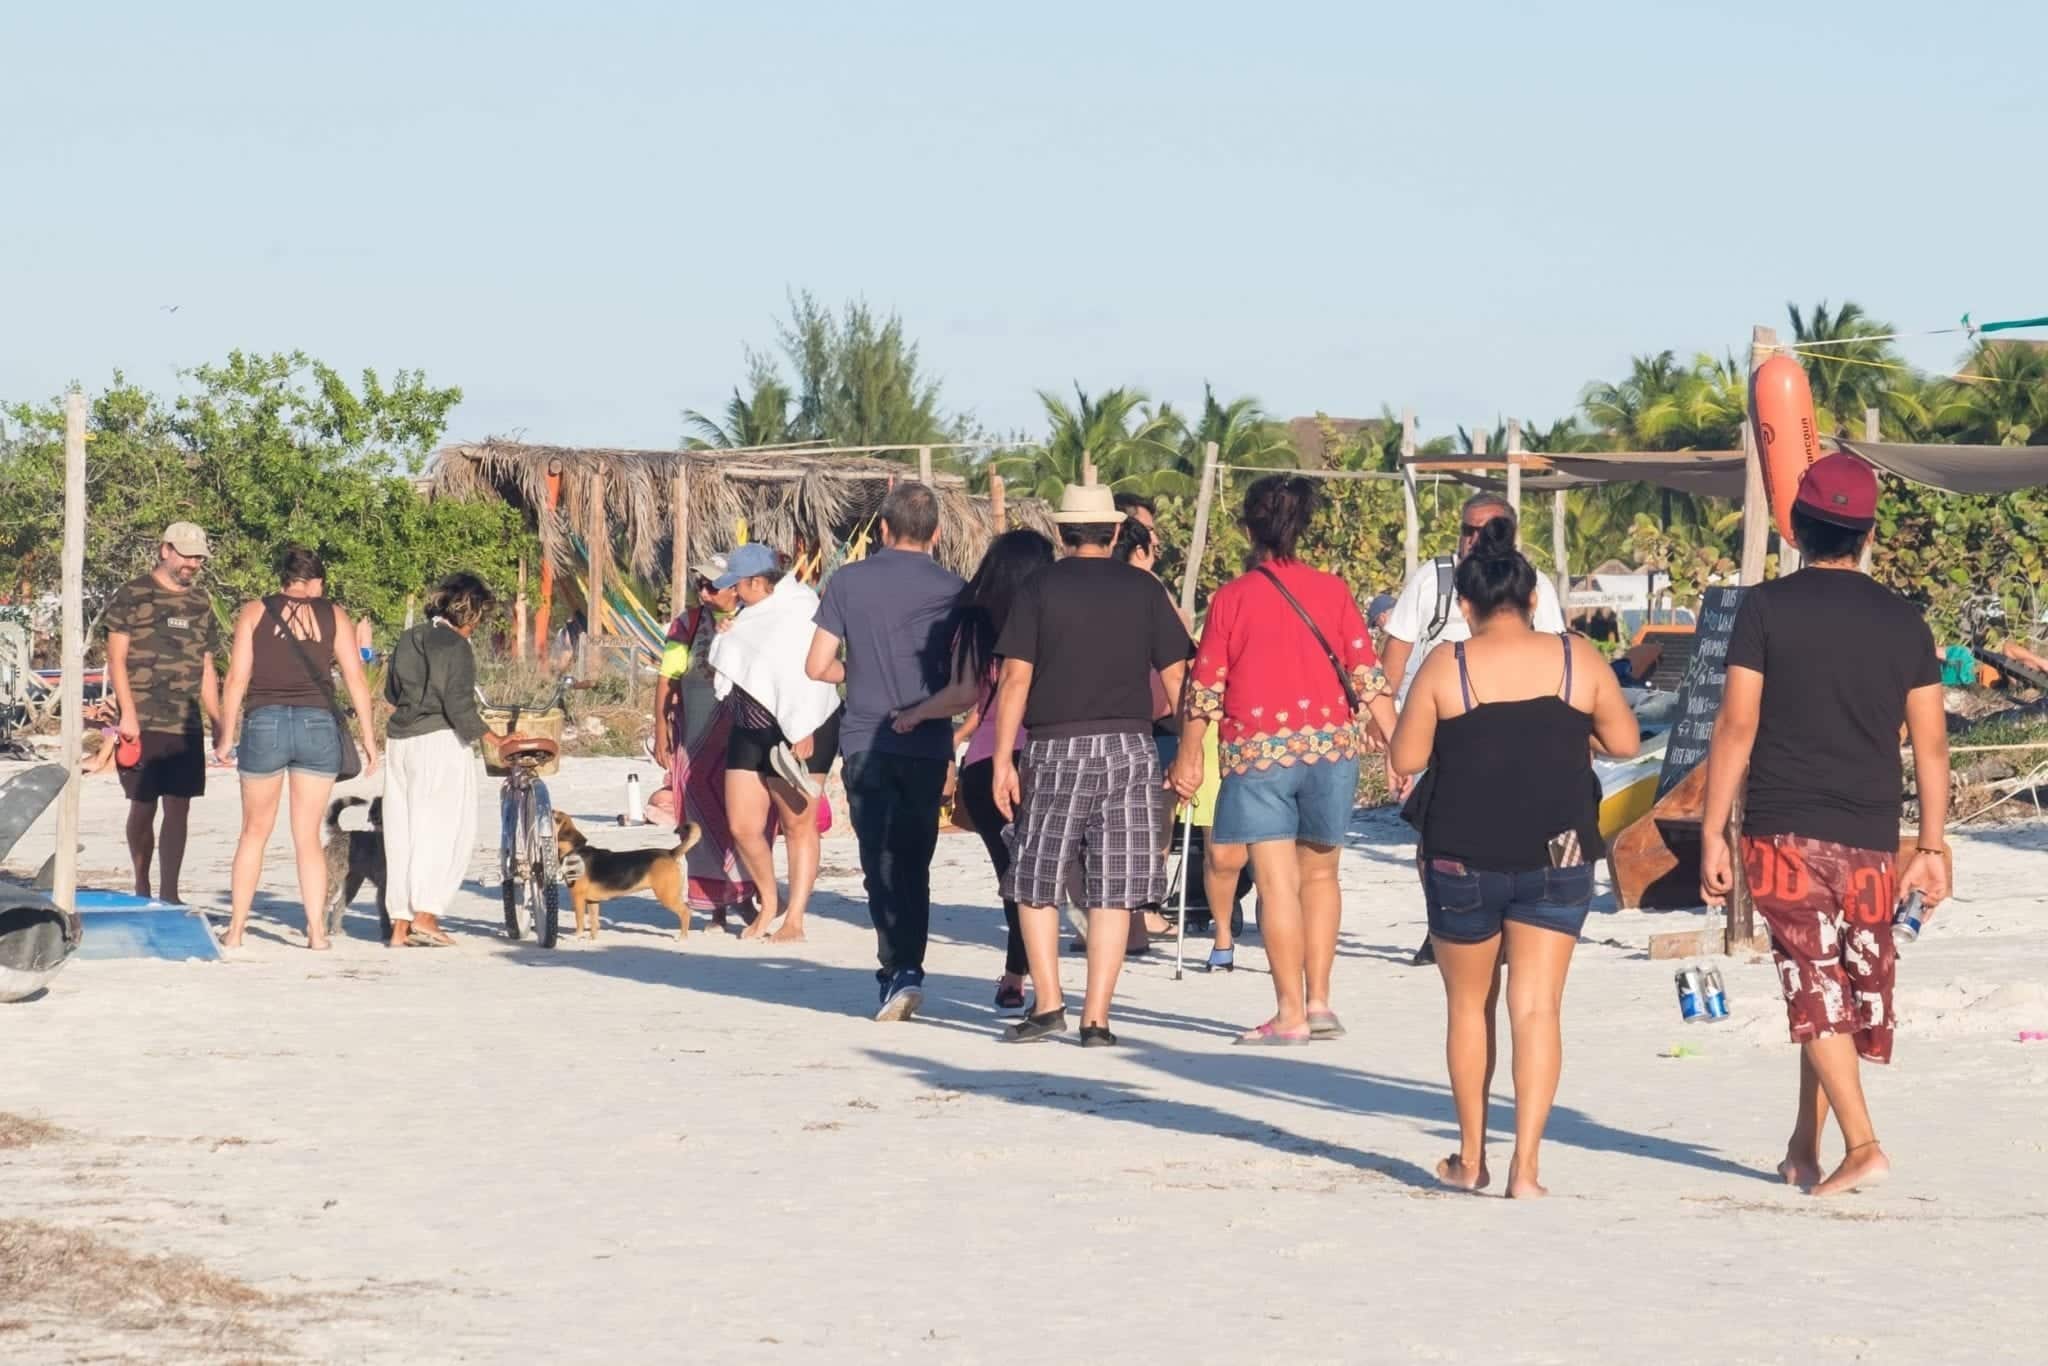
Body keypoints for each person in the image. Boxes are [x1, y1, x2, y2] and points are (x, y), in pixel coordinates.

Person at [1700, 453, 1950, 1198]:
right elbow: (1931, 744)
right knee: (1834, 985)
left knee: (1814, 984)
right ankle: (1803, 1148)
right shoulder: (1905, 620)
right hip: (1872, 833)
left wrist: (1712, 828)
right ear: (1867, 534)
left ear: (1796, 528)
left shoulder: (1767, 610)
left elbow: (1736, 726)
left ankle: (1863, 1143)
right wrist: (1931, 846)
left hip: (1783, 828)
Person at [1389, 516, 1638, 1196]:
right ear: (1533, 600)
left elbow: (1405, 758)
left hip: (1462, 850)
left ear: (1463, 607)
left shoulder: (1449, 664)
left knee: (1470, 1008)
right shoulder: (1576, 658)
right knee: (1537, 1009)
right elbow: (1624, 743)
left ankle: (1472, 1159)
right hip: (1559, 845)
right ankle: (1526, 1169)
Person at [1170, 476, 1398, 1043]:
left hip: (1257, 754)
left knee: (1276, 886)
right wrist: (1399, 747)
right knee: (1321, 878)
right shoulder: (1334, 590)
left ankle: (1289, 1011)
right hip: (1331, 752)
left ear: (1248, 528)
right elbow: (1369, 679)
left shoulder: (1231, 598)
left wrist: (1189, 755)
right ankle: (1320, 1003)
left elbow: (1204, 690)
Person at [992, 484, 1192, 1046]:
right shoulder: (1144, 590)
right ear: (1113, 533)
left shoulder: (1039, 587)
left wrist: (1003, 759)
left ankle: (1049, 1002)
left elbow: (1015, 679)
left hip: (1056, 745)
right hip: (1130, 746)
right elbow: (1179, 679)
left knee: (1036, 877)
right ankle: (1097, 1018)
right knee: (1114, 885)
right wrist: (1191, 752)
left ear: (1062, 533)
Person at [1382, 493, 1567, 966]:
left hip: (1516, 733)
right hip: (1441, 734)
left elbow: (1556, 658)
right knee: (1433, 836)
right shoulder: (1436, 579)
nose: (1474, 540)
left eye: (1487, 530)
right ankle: (1441, 921)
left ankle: (1505, 927)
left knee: (1510, 834)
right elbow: (1395, 658)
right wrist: (1388, 731)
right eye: (1467, 530)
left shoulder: (1531, 585)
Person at [807, 483, 964, 1021]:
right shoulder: (956, 589)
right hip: (927, 741)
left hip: (865, 738)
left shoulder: (849, 581)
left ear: (881, 530)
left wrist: (858, 671)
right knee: (915, 860)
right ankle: (908, 967)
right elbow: (966, 680)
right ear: (938, 534)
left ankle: (894, 967)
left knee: (879, 859)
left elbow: (816, 665)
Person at [891, 529, 1057, 1010]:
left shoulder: (974, 621)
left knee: (1012, 874)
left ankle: (1014, 974)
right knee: (1048, 870)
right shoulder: (1052, 617)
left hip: (989, 764)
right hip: (1051, 754)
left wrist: (918, 713)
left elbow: (965, 693)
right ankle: (1037, 974)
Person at [215, 547, 380, 950]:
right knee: (306, 836)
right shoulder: (333, 615)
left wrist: (224, 735)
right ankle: (316, 933)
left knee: (254, 832)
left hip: (264, 721)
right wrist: (370, 740)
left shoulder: (254, 611)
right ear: (316, 581)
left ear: (284, 580)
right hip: (317, 724)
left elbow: (236, 677)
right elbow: (356, 681)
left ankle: (236, 930)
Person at [707, 543, 843, 943]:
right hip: (750, 724)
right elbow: (746, 661)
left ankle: (794, 920)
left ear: (756, 581)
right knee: (743, 825)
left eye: (736, 585)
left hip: (807, 727)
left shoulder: (801, 608)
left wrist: (802, 726)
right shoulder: (748, 615)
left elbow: (809, 672)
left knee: (798, 825)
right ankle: (771, 900)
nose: (731, 593)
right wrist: (727, 634)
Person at [105, 522, 223, 904]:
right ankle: (142, 885)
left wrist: (218, 720)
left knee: (179, 806)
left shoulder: (201, 602)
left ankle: (170, 894)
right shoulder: (134, 594)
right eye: (187, 554)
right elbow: (116, 657)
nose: (192, 563)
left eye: (198, 557)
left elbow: (207, 666)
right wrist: (127, 713)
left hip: (185, 721)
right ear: (165, 550)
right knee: (143, 804)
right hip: (142, 717)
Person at [382, 573, 495, 948]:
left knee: (402, 833)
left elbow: (391, 691)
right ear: (470, 613)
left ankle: (399, 923)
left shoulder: (408, 637)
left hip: (400, 742)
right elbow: (457, 704)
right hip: (438, 742)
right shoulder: (456, 646)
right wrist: (493, 738)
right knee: (443, 830)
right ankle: (426, 915)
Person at [653, 557, 761, 927]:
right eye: (700, 584)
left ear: (735, 587)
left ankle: (745, 894)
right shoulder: (688, 623)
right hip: (695, 737)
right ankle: (715, 904)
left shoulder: (755, 621)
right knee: (698, 816)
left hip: (740, 730)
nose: (703, 592)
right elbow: (668, 676)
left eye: (712, 586)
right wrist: (660, 728)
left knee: (744, 815)